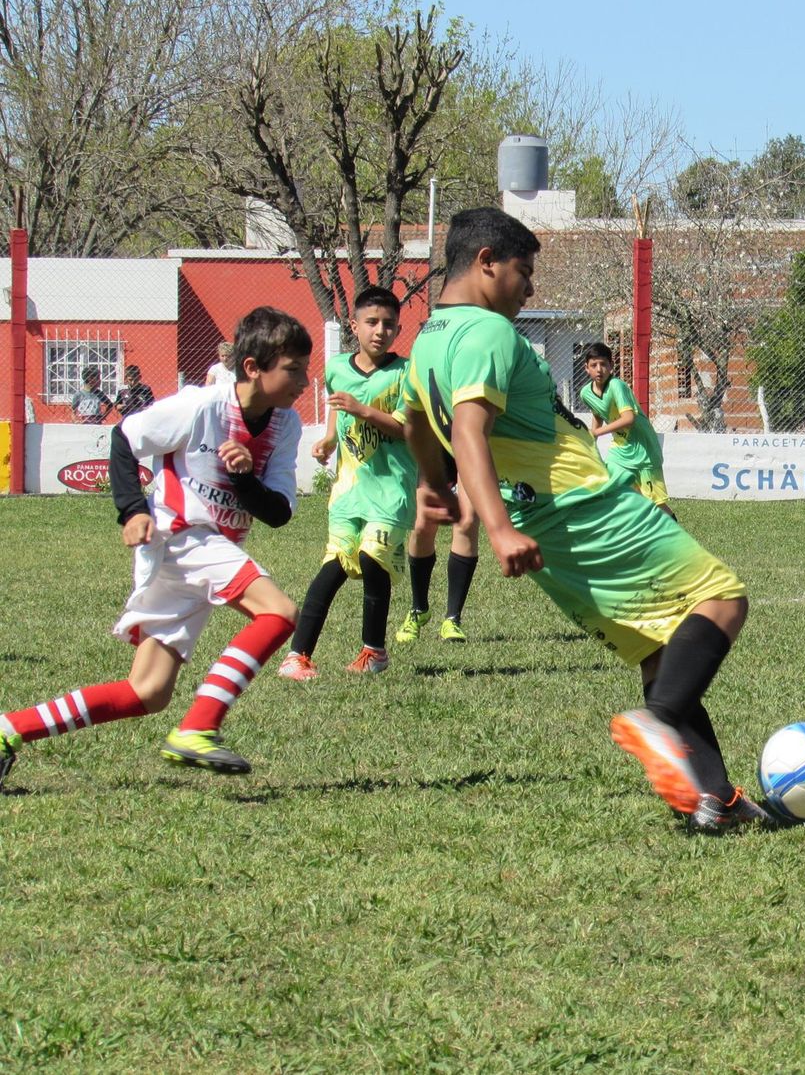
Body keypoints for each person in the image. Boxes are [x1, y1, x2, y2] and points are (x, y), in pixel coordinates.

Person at [401, 206, 767, 831]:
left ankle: (717, 801)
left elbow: (416, 421)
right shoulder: (489, 332)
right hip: (580, 504)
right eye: (523, 271)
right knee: (723, 599)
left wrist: (434, 487)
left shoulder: (427, 342)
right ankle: (658, 724)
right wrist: (495, 527)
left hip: (541, 525)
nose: (530, 288)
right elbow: (468, 427)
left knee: (660, 644)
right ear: (486, 262)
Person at [0, 307, 311, 788]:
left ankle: (9, 730)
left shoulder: (285, 426)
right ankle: (199, 726)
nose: (304, 382)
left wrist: (244, 478)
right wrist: (132, 509)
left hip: (204, 555)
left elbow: (278, 512)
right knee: (279, 613)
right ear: (253, 367)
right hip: (185, 539)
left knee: (146, 693)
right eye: (293, 370)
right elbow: (125, 437)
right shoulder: (200, 405)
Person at [279, 287, 415, 680]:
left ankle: (374, 651)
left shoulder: (407, 372)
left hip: (392, 492)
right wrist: (327, 439)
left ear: (398, 329)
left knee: (373, 559)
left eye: (389, 324)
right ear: (354, 325)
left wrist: (364, 411)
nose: (380, 331)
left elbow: (406, 429)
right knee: (333, 566)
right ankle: (298, 655)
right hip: (348, 490)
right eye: (372, 322)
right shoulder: (337, 367)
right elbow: (338, 417)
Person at [578, 341, 675, 519]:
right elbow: (598, 412)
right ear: (586, 368)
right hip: (621, 449)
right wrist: (592, 443)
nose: (599, 369)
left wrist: (597, 433)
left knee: (656, 504)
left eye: (603, 364)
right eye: (594, 365)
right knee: (615, 487)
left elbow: (628, 419)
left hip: (643, 449)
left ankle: (674, 534)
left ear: (611, 366)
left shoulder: (617, 386)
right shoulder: (585, 393)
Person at [394, 480, 482, 644]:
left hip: (470, 454)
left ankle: (452, 618)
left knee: (467, 521)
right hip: (435, 454)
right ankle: (418, 610)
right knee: (421, 525)